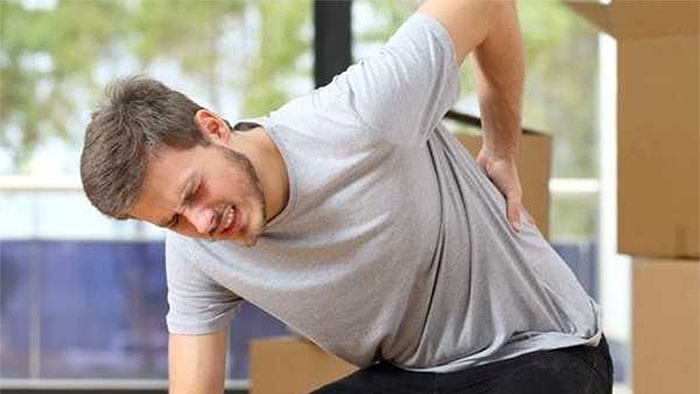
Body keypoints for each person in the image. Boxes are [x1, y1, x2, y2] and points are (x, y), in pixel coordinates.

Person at [80, 0, 613, 393]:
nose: (200, 223)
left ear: (213, 127)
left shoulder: (361, 114)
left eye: (194, 192)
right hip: (416, 376)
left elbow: (487, 4)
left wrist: (501, 149)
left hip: (546, 351)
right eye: (174, 220)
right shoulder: (197, 247)